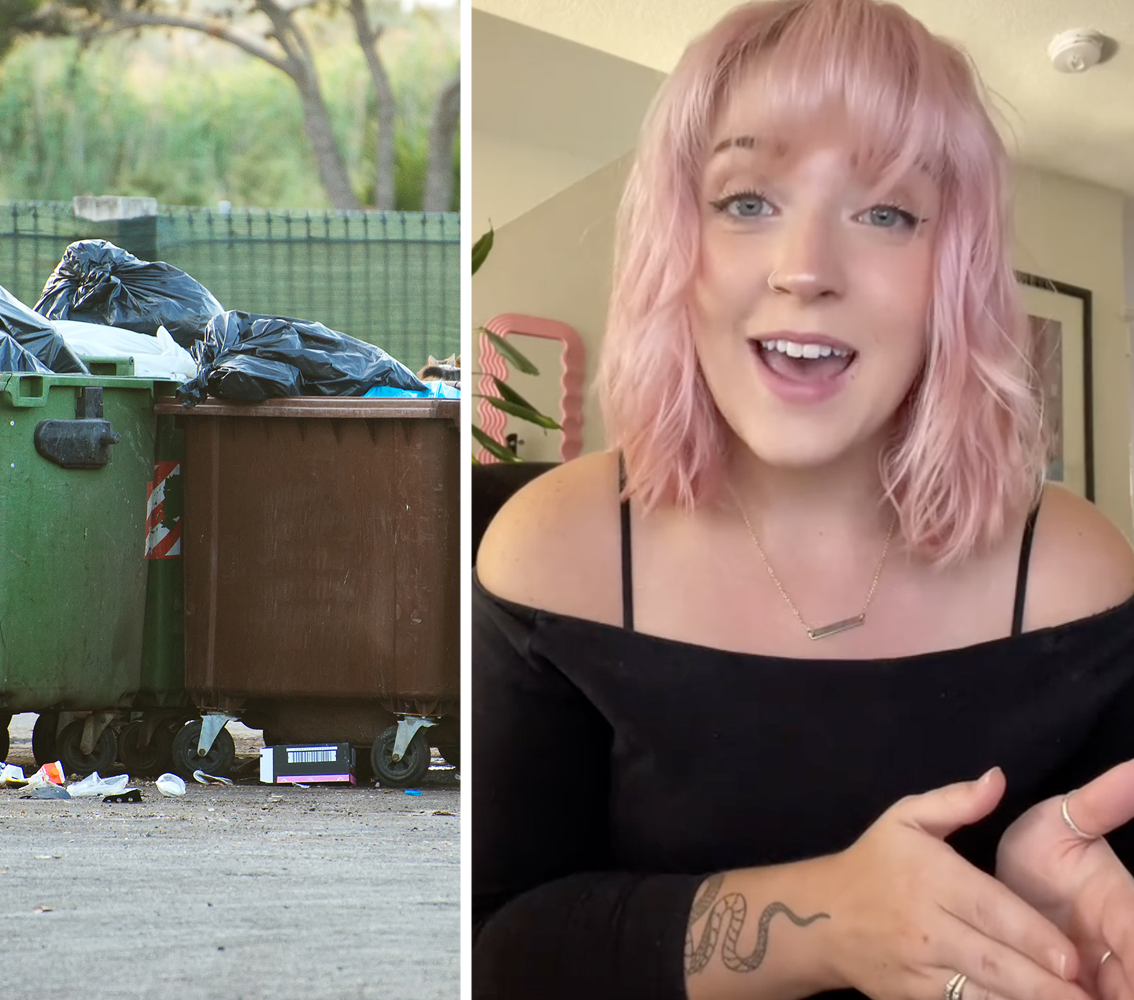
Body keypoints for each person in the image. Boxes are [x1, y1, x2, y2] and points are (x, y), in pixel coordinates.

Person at [472, 2, 1134, 999]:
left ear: (947, 272)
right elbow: (492, 946)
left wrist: (1033, 934)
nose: (805, 270)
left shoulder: (1074, 571)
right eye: (745, 200)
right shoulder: (552, 551)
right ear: (674, 243)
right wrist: (824, 923)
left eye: (884, 212)